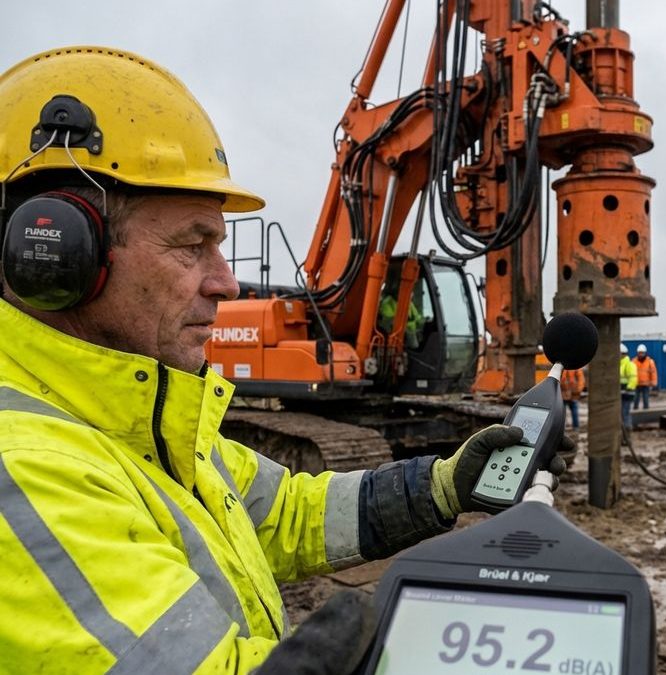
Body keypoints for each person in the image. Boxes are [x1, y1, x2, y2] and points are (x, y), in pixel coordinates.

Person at [0, 46, 566, 674]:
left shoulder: (142, 428)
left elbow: (289, 513)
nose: (227, 283)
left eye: (219, 245)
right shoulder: (26, 469)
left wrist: (444, 484)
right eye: (192, 244)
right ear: (60, 257)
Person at [632, 343, 658, 410]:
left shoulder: (650, 361)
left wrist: (653, 383)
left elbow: (653, 373)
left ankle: (646, 412)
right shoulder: (634, 361)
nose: (641, 354)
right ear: (637, 353)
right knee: (635, 399)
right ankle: (635, 411)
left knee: (645, 399)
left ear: (645, 353)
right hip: (636, 384)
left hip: (646, 384)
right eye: (639, 353)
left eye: (642, 353)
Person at [619, 343, 638, 430]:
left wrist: (628, 388)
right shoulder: (620, 364)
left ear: (623, 354)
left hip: (627, 392)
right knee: (621, 412)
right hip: (622, 391)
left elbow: (633, 378)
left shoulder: (629, 364)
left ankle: (627, 428)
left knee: (625, 411)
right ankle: (624, 428)